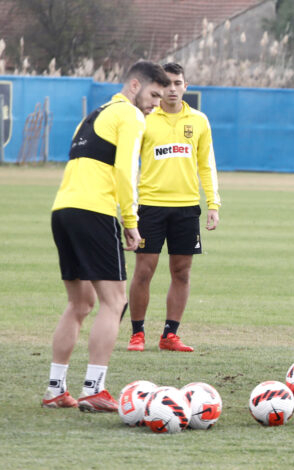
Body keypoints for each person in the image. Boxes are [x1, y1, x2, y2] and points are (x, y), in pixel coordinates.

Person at [44, 61, 170, 411]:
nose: (155, 104)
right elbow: (126, 169)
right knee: (114, 302)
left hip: (63, 211)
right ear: (135, 85)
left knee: (80, 303)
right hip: (94, 212)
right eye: (153, 95)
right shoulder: (130, 115)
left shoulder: (94, 115)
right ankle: (94, 389)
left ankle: (55, 389)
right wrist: (131, 220)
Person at [127, 63, 221, 352]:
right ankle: (137, 333)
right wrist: (129, 204)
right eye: (166, 84)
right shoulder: (144, 118)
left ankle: (170, 335)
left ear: (185, 86)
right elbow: (129, 164)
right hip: (150, 206)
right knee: (144, 271)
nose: (172, 89)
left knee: (182, 272)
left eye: (177, 83)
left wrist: (213, 203)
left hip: (186, 208)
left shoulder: (199, 121)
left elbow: (206, 165)